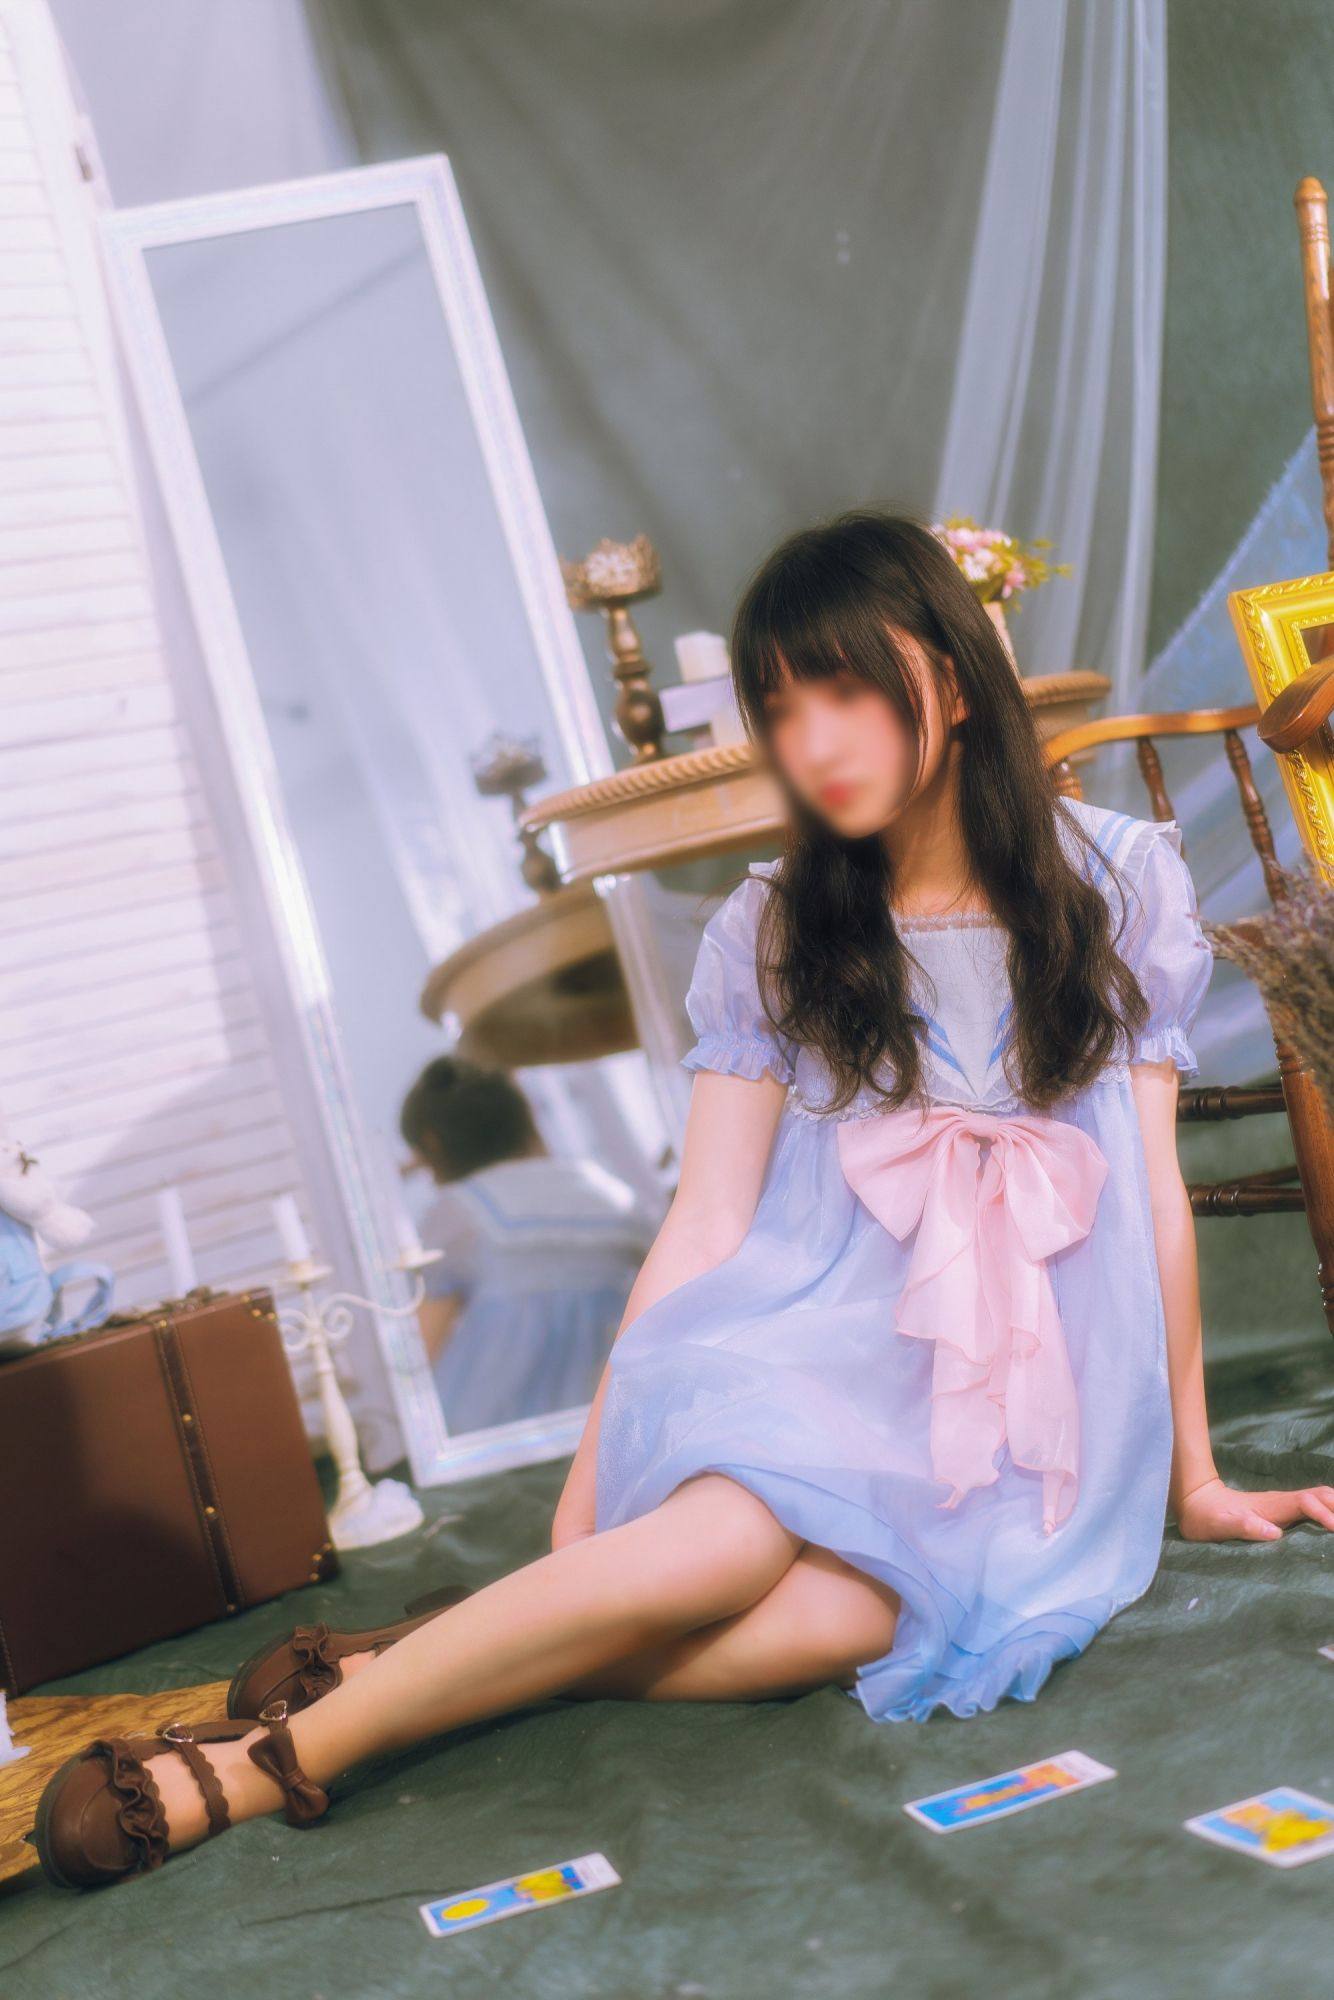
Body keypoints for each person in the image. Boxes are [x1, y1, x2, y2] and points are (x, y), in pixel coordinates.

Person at [33, 510, 1334, 1890]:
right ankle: (271, 1759)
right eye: (781, 708)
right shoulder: (773, 925)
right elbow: (706, 1219)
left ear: (951, 681)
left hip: (1020, 1398)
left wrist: (1191, 1474)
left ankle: (421, 1660)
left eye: (847, 688)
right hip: (822, 1342)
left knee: (855, 1619)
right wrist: (589, 1477)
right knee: (718, 1551)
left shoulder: (1116, 880)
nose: (814, 739)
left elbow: (1148, 1192)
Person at [400, 1057, 656, 1430]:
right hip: (610, 1422)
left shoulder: (460, 1210)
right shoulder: (613, 1195)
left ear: (433, 1143)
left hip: (492, 1434)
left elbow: (421, 1348)